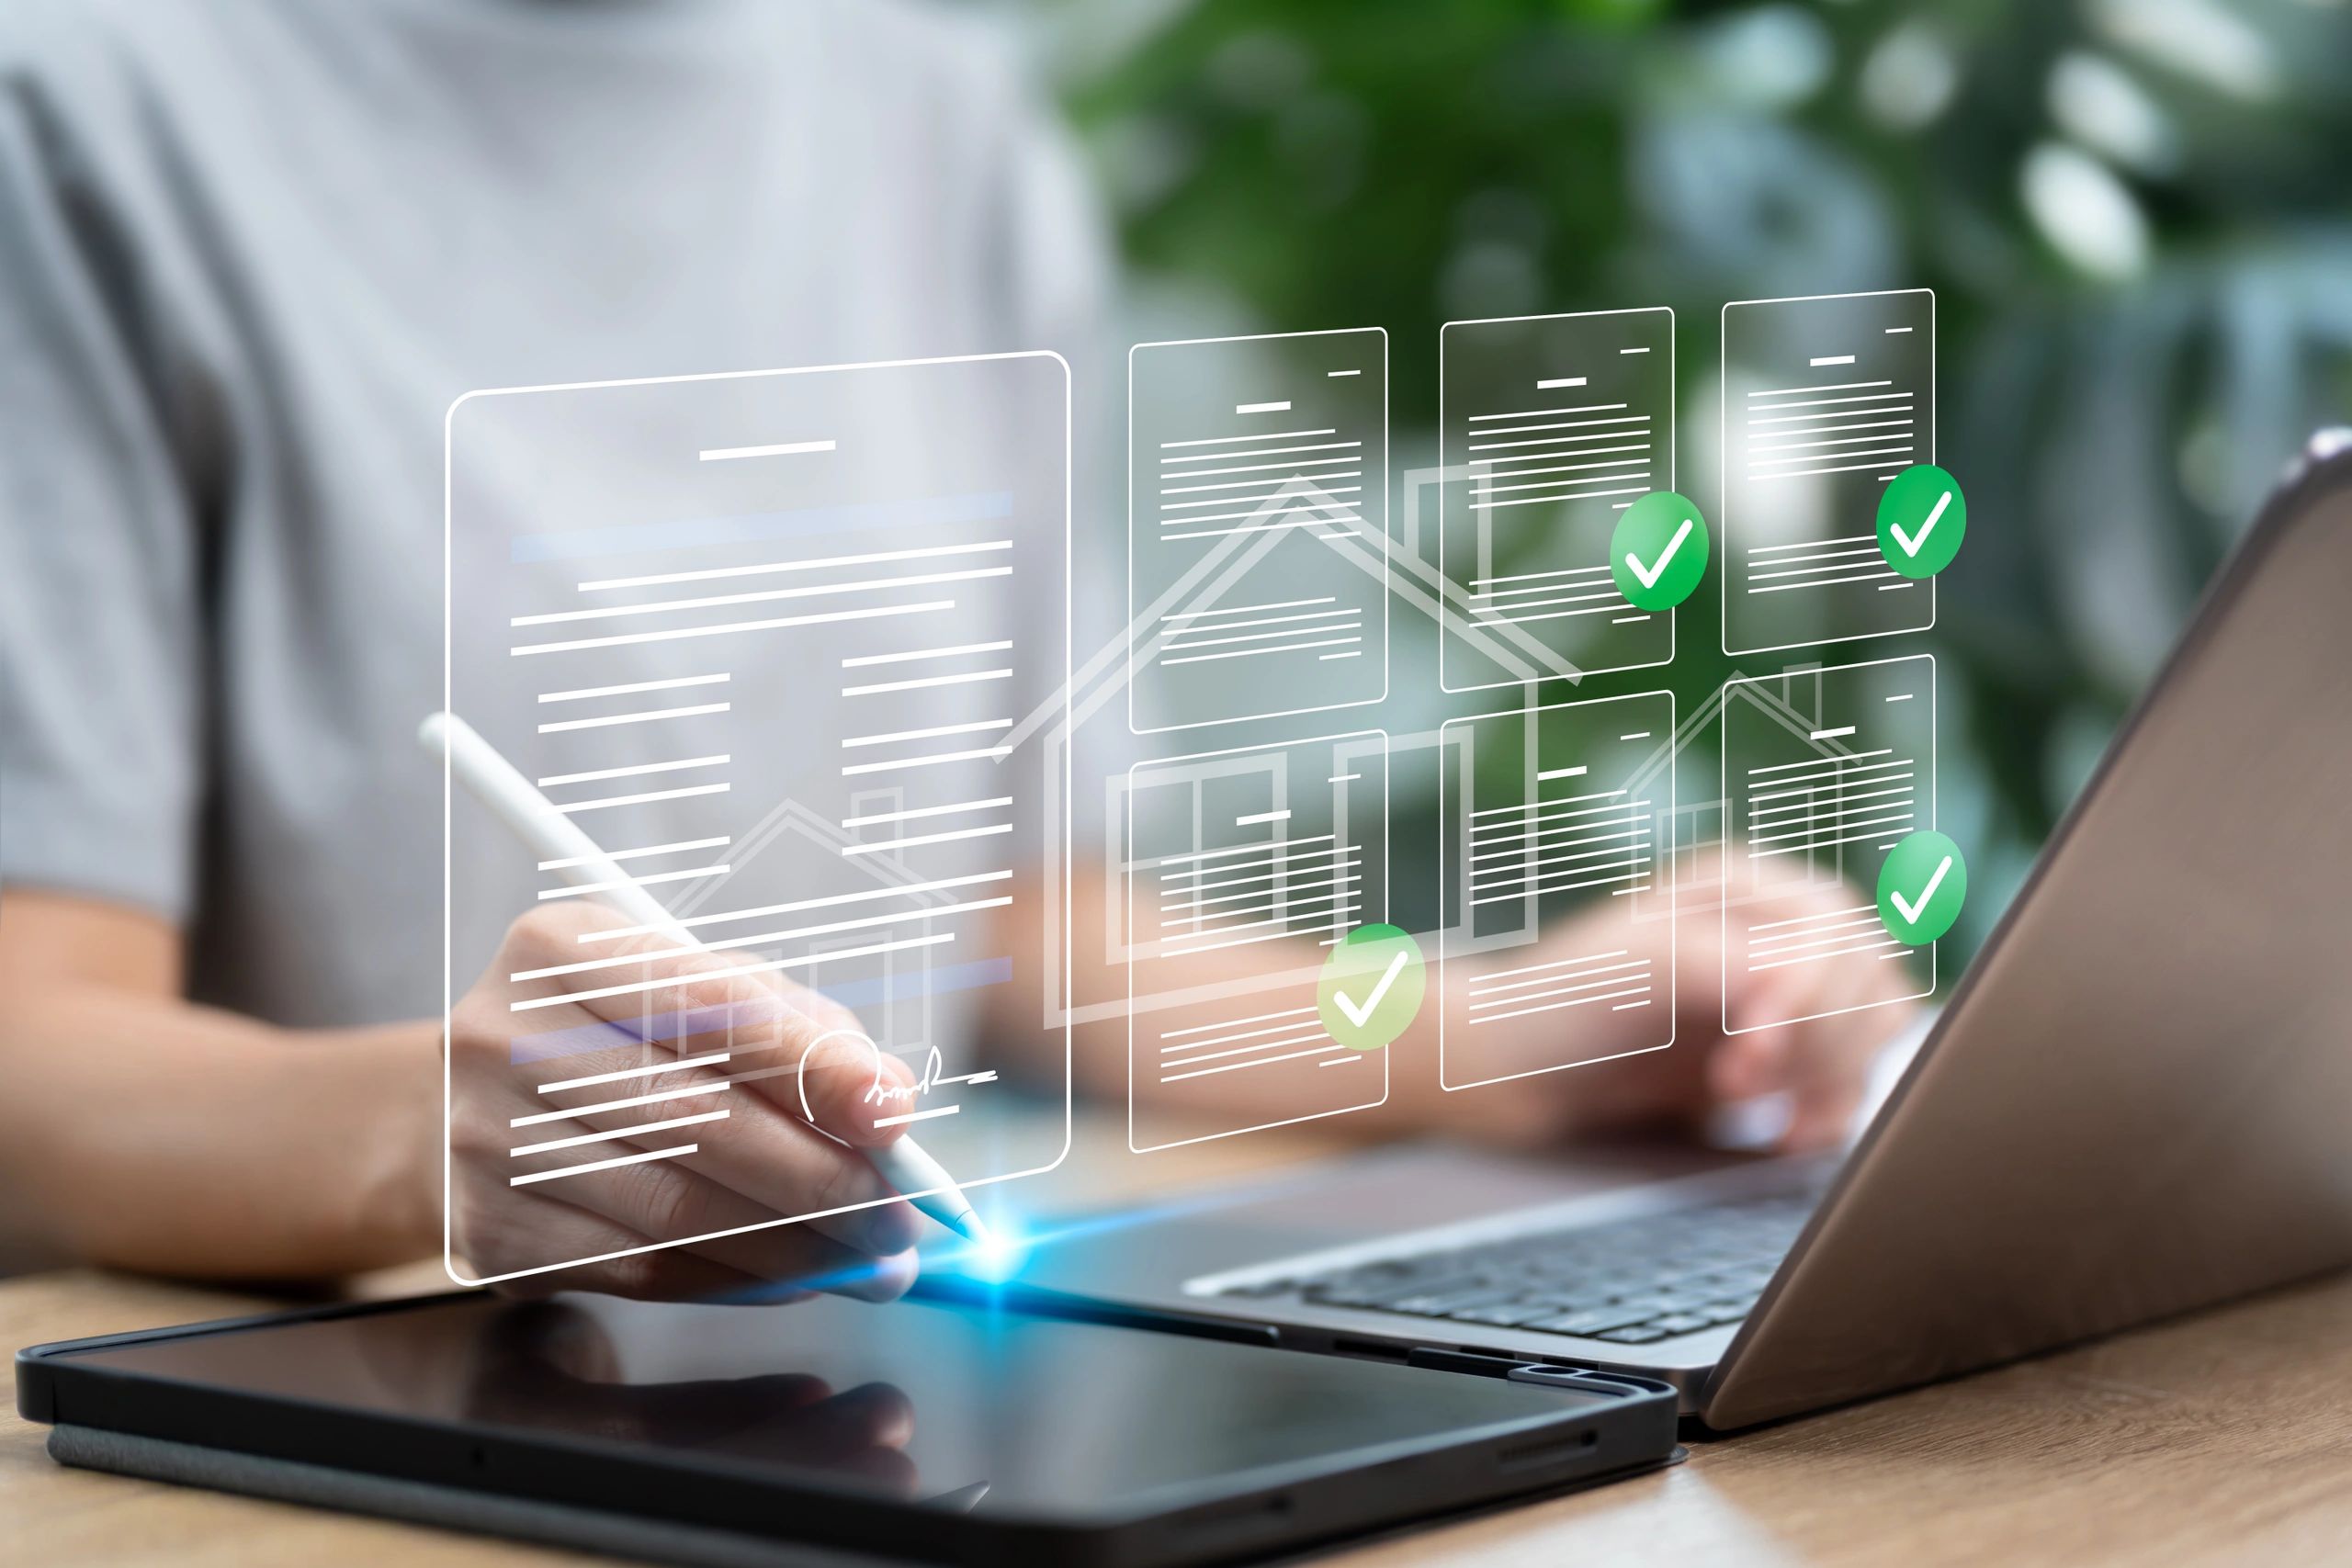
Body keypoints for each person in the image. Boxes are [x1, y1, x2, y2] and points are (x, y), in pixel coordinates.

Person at [0, 0, 1913, 1298]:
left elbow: (1009, 914)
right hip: (347, 1408)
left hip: (863, 1364)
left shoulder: (930, 107)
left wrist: (1502, 1040)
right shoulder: (77, 111)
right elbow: (34, 1059)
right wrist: (430, 1135)